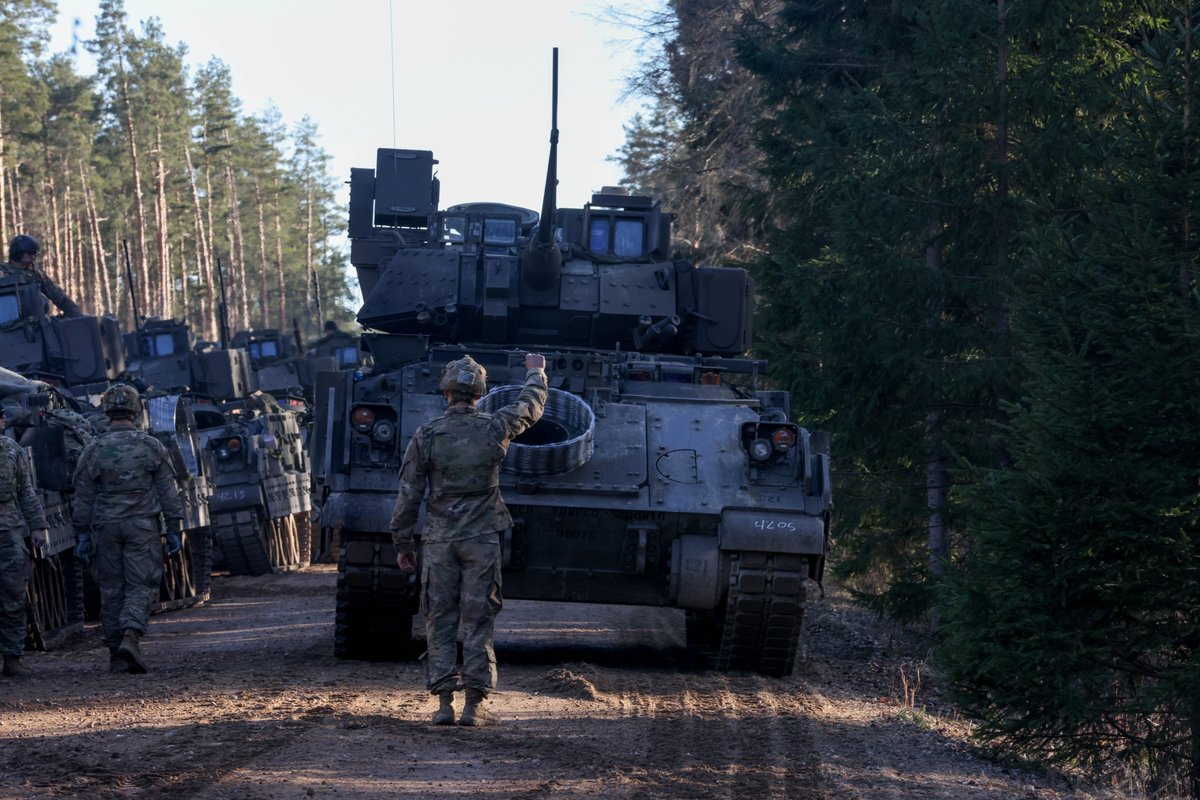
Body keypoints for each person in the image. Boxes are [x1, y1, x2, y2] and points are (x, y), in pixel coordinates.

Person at [391, 353, 547, 726]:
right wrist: (536, 372)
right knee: (478, 622)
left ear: (446, 393)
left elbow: (409, 493)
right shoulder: (496, 426)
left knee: (440, 619)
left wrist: (402, 544)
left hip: (440, 542)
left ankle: (444, 704)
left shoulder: (427, 434)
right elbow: (530, 407)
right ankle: (475, 706)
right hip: (481, 540)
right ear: (480, 394)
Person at [72, 383, 182, 674]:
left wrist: (82, 535)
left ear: (107, 411)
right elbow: (168, 492)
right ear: (136, 410)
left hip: (105, 528)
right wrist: (174, 527)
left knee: (111, 588)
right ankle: (131, 636)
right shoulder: (151, 446)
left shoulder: (93, 449)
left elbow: (82, 496)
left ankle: (114, 653)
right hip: (141, 526)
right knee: (141, 584)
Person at [0, 405, 50, 678]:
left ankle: (12, 657)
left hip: (9, 533)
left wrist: (38, 526)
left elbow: (25, 491)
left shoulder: (11, 450)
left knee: (13, 597)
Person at [1, 235, 84, 318]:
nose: (33, 257)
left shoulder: (35, 275)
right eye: (30, 253)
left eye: (35, 254)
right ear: (17, 252)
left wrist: (79, 316)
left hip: (33, 325)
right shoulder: (1, 272)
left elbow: (60, 298)